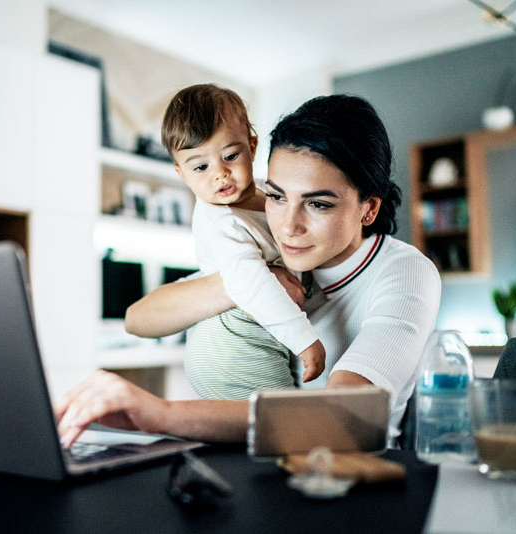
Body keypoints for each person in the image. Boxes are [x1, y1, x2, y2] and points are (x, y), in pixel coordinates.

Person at [56, 94, 441, 448]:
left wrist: (162, 415)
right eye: (275, 196)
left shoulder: (405, 273)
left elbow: (342, 415)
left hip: (345, 481)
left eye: (318, 204)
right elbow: (138, 319)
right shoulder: (263, 254)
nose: (288, 226)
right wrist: (243, 284)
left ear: (368, 209)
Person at [160, 84, 325, 400]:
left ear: (252, 146)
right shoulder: (222, 222)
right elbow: (252, 285)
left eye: (230, 156)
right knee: (284, 425)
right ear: (182, 174)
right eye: (200, 167)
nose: (220, 174)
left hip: (258, 336)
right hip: (233, 349)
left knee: (276, 433)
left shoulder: (269, 192)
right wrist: (304, 340)